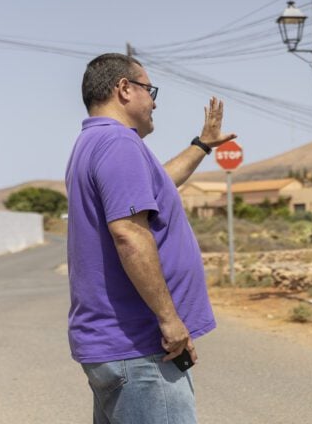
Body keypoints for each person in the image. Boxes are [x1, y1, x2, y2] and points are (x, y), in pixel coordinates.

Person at [65, 53, 236, 424]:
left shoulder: (94, 142)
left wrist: (203, 145)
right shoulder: (118, 144)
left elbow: (162, 182)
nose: (154, 100)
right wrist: (170, 319)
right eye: (149, 89)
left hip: (117, 350)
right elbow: (128, 233)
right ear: (124, 89)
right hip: (139, 351)